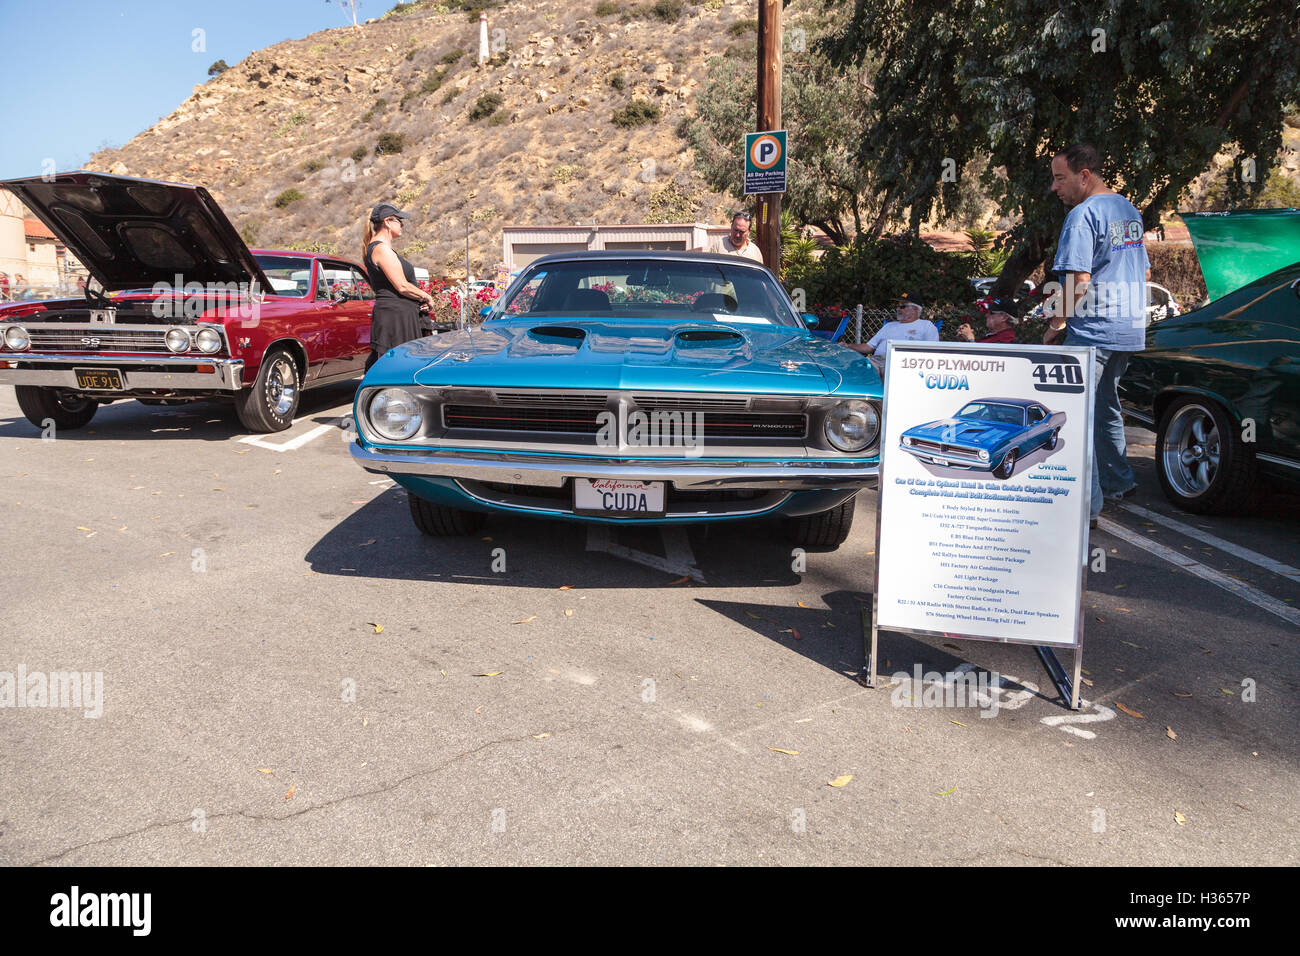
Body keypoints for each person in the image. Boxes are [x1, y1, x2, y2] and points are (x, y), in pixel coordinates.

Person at [1044, 142, 1148, 525]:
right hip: (1129, 329)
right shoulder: (1128, 210)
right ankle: (1120, 481)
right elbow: (1145, 271)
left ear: (1083, 176)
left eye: (1060, 178)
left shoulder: (1082, 215)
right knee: (1105, 406)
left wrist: (1055, 324)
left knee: (1076, 415)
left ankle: (1086, 508)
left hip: (1095, 329)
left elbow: (1078, 281)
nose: (1055, 188)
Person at [362, 202, 435, 371]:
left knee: (401, 368)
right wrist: (426, 296)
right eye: (399, 220)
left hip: (398, 316)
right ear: (388, 221)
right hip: (395, 320)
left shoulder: (382, 249)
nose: (402, 224)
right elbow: (402, 286)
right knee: (396, 369)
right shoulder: (381, 249)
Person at [847, 293, 938, 354]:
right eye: (897, 306)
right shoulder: (889, 326)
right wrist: (847, 346)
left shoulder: (926, 326)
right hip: (876, 362)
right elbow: (869, 347)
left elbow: (932, 352)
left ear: (915, 310)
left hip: (903, 365)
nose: (897, 309)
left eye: (902, 306)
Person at [698, 211, 764, 263]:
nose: (737, 235)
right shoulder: (718, 246)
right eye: (735, 230)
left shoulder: (755, 252)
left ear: (749, 232)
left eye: (742, 232)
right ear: (731, 227)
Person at [957, 296, 1022, 344]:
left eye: (991, 313)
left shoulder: (1006, 341)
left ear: (1004, 317)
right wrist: (965, 340)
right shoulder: (994, 336)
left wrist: (970, 339)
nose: (986, 315)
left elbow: (984, 359)